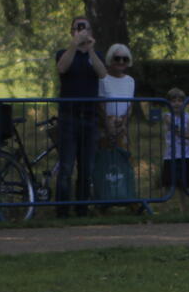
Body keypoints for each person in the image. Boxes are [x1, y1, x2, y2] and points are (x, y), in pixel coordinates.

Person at [51, 17, 105, 216]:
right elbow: (62, 68)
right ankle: (61, 210)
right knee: (66, 166)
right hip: (69, 116)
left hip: (90, 117)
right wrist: (74, 45)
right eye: (77, 28)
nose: (82, 32)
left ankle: (82, 209)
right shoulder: (63, 54)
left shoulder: (95, 54)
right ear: (71, 31)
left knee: (86, 168)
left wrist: (90, 49)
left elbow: (102, 73)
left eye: (85, 28)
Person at [91, 44, 137, 202]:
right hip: (105, 127)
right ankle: (103, 199)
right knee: (104, 164)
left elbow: (130, 105)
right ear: (110, 59)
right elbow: (100, 104)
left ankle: (125, 196)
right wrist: (108, 123)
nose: (121, 62)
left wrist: (123, 123)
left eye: (125, 59)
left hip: (122, 128)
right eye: (117, 58)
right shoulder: (103, 78)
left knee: (124, 163)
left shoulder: (130, 81)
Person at [161, 88, 189, 196]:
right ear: (168, 103)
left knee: (183, 184)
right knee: (168, 183)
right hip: (171, 155)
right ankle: (165, 207)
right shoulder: (167, 116)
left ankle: (183, 208)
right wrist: (180, 132)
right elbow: (173, 126)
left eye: (180, 100)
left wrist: (182, 134)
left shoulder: (187, 116)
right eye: (173, 101)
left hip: (185, 155)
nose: (177, 103)